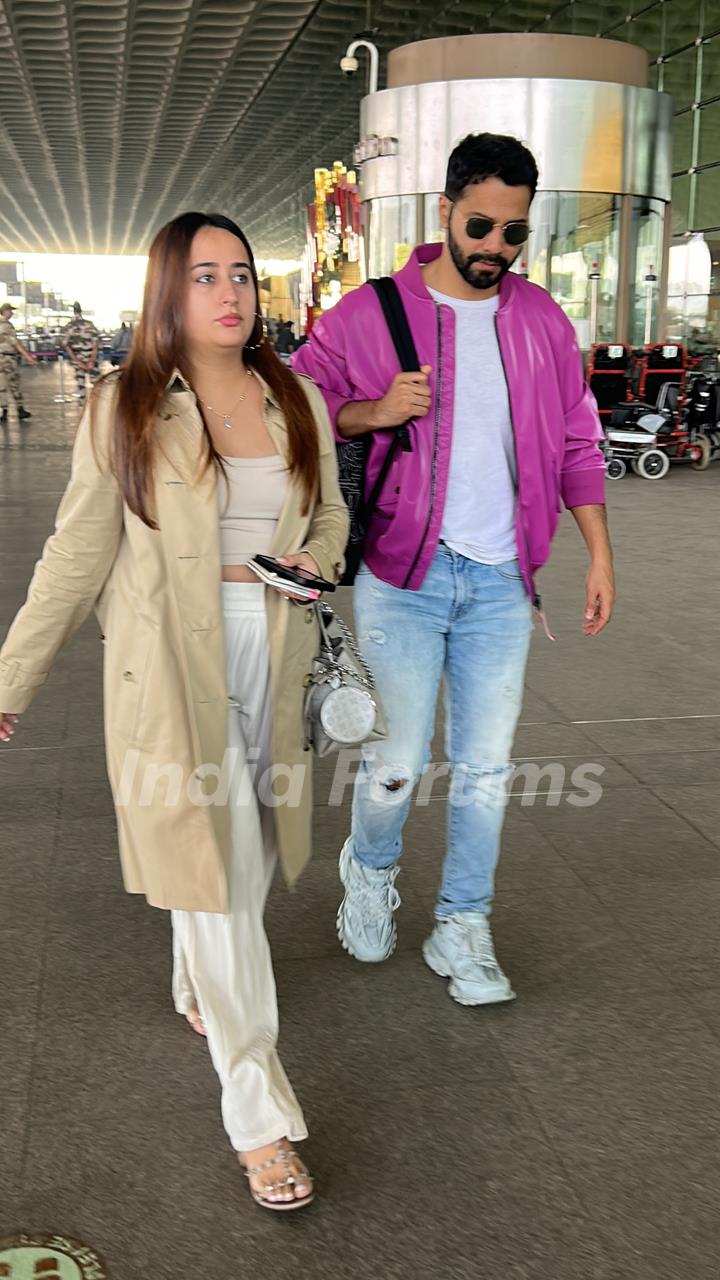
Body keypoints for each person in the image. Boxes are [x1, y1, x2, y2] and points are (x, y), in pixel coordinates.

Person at [0, 212, 348, 1209]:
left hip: (267, 652)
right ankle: (260, 1114)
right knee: (225, 882)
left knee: (221, 869)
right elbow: (76, 553)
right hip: (168, 671)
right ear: (168, 291)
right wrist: (12, 678)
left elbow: (326, 511)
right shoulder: (126, 404)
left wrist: (315, 557)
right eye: (205, 276)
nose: (230, 291)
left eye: (240, 273)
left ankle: (195, 978)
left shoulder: (293, 396)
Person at [294, 132, 615, 1007]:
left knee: (484, 768)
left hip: (504, 583)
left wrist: (597, 555)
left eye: (515, 233)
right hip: (407, 575)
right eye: (481, 225)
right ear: (445, 211)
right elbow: (298, 402)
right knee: (395, 760)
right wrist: (369, 410)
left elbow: (579, 441)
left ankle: (462, 924)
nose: (496, 249)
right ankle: (370, 871)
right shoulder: (371, 312)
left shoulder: (544, 320)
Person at [0, 302, 37, 422]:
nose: (12, 313)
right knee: (14, 383)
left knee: (1, 386)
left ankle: (4, 412)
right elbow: (14, 342)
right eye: (10, 311)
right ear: (5, 311)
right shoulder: (6, 324)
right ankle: (20, 410)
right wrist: (29, 357)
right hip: (7, 359)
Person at [61, 302, 100, 403]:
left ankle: (82, 406)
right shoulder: (89, 324)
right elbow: (96, 343)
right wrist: (92, 359)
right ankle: (98, 405)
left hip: (77, 356)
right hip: (90, 354)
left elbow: (66, 345)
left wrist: (76, 360)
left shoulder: (69, 326)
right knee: (97, 383)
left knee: (80, 383)